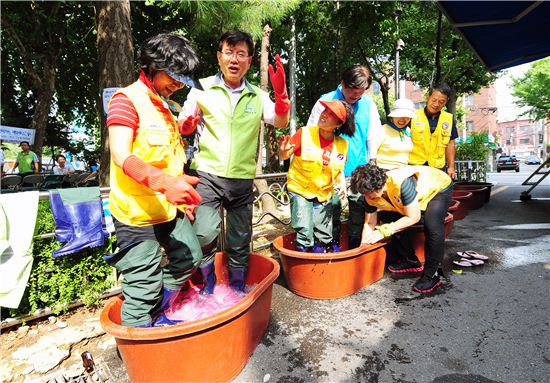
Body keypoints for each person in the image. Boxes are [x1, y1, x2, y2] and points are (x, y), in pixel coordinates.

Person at [180, 29, 290, 294]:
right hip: (207, 175)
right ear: (219, 56)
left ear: (249, 61)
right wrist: (186, 125)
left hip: (242, 178)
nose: (234, 59)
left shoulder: (257, 96)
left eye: (241, 54)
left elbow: (280, 122)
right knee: (204, 234)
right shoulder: (201, 88)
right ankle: (207, 285)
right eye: (229, 52)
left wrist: (282, 97)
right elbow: (183, 123)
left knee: (240, 238)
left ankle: (237, 289)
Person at [105, 33, 203, 328]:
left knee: (190, 258)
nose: (178, 84)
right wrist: (166, 183)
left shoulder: (166, 107)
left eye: (183, 78)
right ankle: (138, 348)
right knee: (142, 285)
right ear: (151, 64)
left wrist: (181, 186)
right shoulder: (126, 100)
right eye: (173, 75)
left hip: (167, 206)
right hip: (135, 213)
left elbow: (166, 158)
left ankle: (160, 311)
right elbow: (122, 156)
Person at [307, 65, 382, 250]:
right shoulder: (325, 102)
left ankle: (354, 249)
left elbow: (374, 134)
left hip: (358, 170)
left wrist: (372, 162)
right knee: (330, 211)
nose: (355, 96)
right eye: (352, 91)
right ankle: (330, 248)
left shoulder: (368, 105)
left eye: (360, 92)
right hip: (328, 170)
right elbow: (310, 133)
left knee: (358, 212)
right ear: (342, 84)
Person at [350, 163, 452, 294]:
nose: (367, 198)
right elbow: (369, 224)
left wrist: (384, 231)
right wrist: (363, 250)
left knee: (432, 224)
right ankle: (410, 260)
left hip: (438, 187)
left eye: (369, 194)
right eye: (363, 194)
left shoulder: (402, 183)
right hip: (410, 198)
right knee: (388, 216)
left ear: (379, 185)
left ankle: (432, 274)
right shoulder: (368, 195)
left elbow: (413, 217)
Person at [279, 100, 355, 253]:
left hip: (323, 193)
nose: (324, 115)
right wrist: (283, 151)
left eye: (331, 114)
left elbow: (338, 169)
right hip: (300, 189)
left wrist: (341, 185)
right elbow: (285, 155)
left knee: (323, 235)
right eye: (325, 110)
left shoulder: (342, 145)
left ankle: (319, 265)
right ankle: (301, 264)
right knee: (304, 231)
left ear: (339, 124)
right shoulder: (304, 133)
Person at [409, 83, 459, 179]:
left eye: (441, 102)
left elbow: (450, 144)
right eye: (434, 100)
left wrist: (451, 167)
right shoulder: (413, 116)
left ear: (446, 102)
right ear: (428, 97)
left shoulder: (448, 119)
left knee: (437, 193)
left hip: (437, 168)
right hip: (414, 168)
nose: (436, 104)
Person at [369, 98, 415, 170]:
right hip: (384, 172)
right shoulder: (381, 130)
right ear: (392, 116)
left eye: (407, 116)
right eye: (399, 115)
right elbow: (371, 155)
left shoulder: (408, 131)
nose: (402, 119)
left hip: (404, 172)